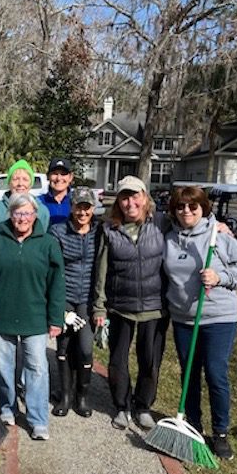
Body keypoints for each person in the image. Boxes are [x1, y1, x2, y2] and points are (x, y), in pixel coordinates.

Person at [163, 186, 237, 460]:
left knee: (215, 373)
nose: (187, 211)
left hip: (219, 317)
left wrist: (220, 278)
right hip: (183, 318)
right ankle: (193, 425)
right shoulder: (169, 238)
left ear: (203, 208)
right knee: (188, 374)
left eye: (193, 207)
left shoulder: (220, 237)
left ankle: (221, 433)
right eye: (180, 207)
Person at [0, 193, 64, 441]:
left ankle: (38, 419)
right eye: (18, 213)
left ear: (35, 216)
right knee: (4, 366)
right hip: (3, 314)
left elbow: (57, 284)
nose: (23, 218)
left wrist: (55, 318)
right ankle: (8, 408)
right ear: (10, 215)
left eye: (27, 213)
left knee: (37, 367)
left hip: (35, 317)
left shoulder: (47, 243)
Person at [92, 175, 168, 431]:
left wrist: (218, 226)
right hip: (120, 306)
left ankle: (143, 406)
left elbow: (193, 224)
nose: (130, 202)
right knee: (118, 360)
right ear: (118, 202)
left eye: (135, 196)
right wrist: (99, 306)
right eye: (125, 197)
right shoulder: (108, 230)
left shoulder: (162, 223)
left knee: (149, 361)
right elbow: (101, 271)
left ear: (145, 198)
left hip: (154, 307)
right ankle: (122, 406)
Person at [49, 186, 101, 417]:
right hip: (65, 297)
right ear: (71, 207)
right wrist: (57, 306)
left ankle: (82, 395)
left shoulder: (101, 231)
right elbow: (50, 270)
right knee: (63, 345)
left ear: (93, 208)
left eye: (87, 207)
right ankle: (65, 395)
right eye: (78, 207)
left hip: (88, 300)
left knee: (85, 348)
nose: (82, 212)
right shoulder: (58, 231)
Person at [0, 159, 49, 235]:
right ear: (9, 183)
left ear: (31, 184)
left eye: (25, 179)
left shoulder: (42, 211)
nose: (20, 183)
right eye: (16, 179)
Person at [39, 158, 74, 226]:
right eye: (55, 174)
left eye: (63, 174)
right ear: (48, 176)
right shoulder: (38, 202)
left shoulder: (76, 202)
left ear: (70, 177)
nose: (59, 178)